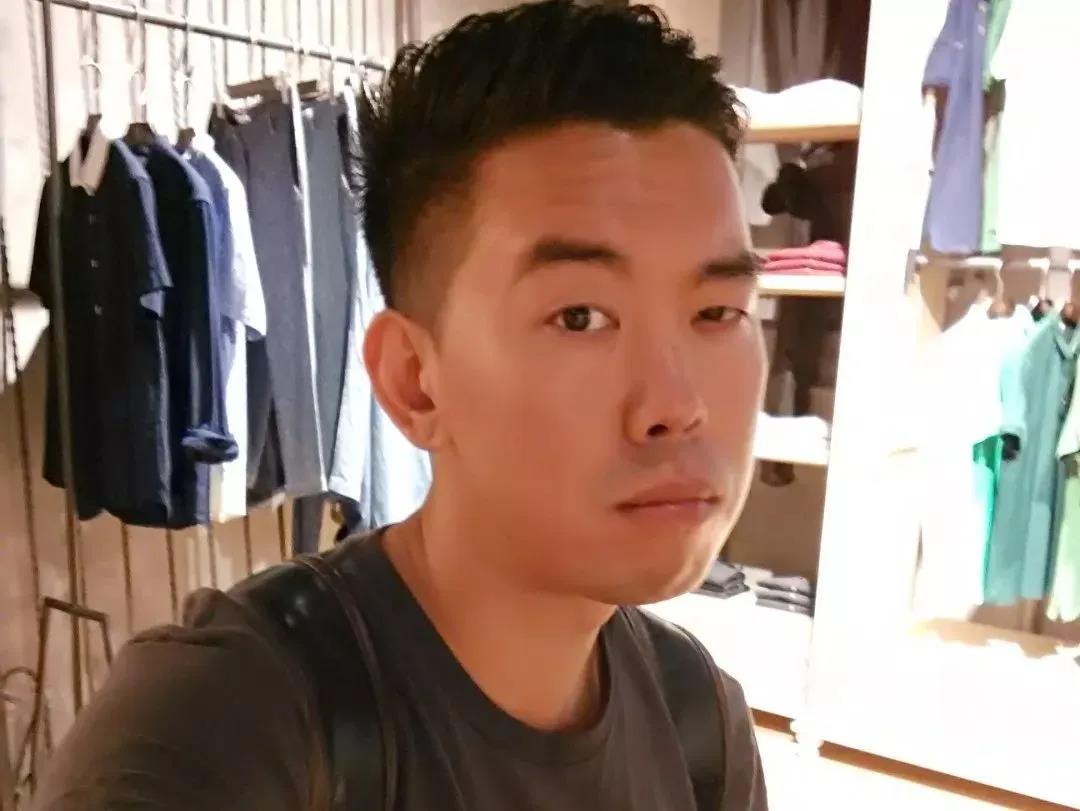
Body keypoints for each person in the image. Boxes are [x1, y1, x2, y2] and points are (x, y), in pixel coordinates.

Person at [34, 2, 768, 808]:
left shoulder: (699, 716)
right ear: (415, 380)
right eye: (580, 316)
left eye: (716, 312)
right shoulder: (231, 719)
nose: (677, 404)